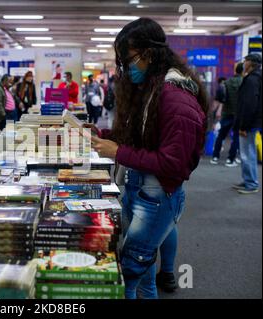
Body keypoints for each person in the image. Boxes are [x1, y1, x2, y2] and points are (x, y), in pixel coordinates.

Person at [91, 18, 208, 299]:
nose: (127, 67)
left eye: (129, 59)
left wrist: (117, 152)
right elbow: (141, 134)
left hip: (157, 198)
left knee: (129, 274)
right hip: (138, 189)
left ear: (150, 53)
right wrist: (102, 134)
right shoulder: (152, 89)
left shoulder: (175, 97)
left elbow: (174, 164)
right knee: (142, 275)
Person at [233, 54, 262, 194]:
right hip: (252, 122)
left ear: (251, 63)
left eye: (245, 61)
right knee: (248, 153)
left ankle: (251, 183)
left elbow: (249, 104)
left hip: (249, 123)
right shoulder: (255, 78)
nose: (243, 63)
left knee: (247, 153)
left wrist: (243, 126)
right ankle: (248, 180)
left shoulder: (252, 80)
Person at [210, 63, 244, 166]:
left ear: (235, 71)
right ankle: (230, 159)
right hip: (238, 115)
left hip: (226, 113)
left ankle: (215, 157)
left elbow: (219, 98)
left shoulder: (226, 83)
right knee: (236, 138)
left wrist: (213, 112)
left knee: (221, 136)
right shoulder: (244, 83)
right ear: (242, 71)